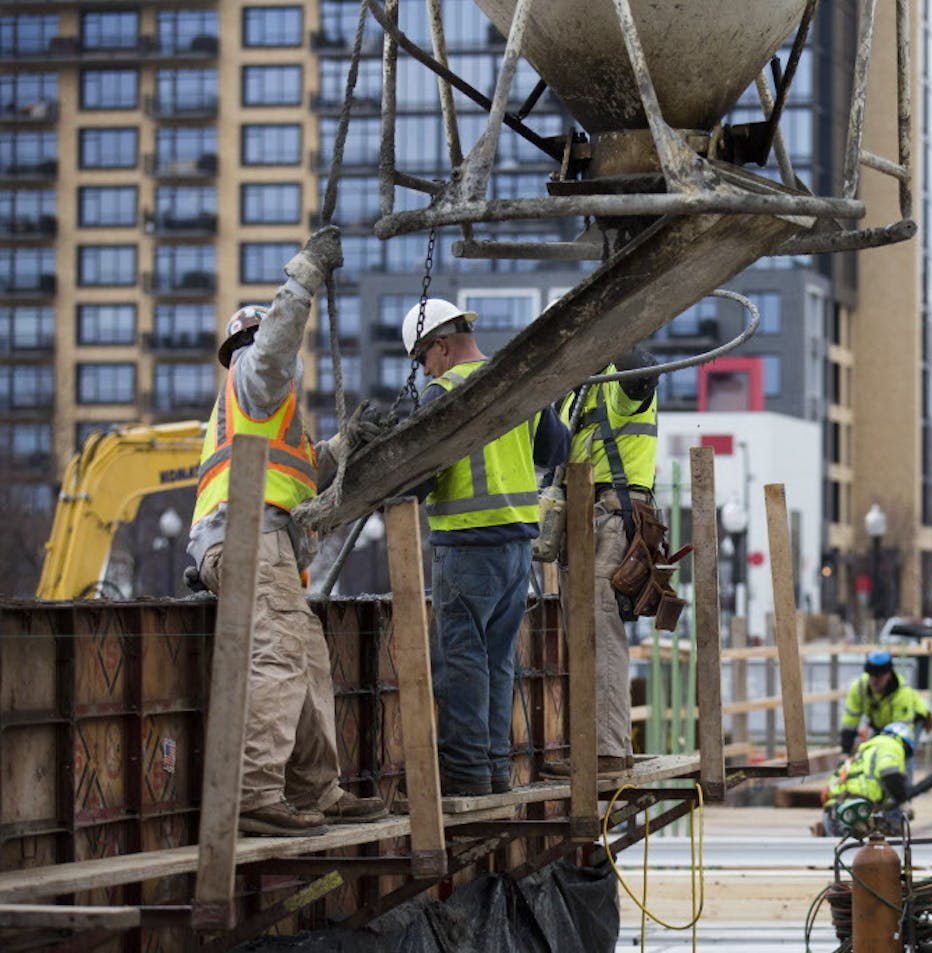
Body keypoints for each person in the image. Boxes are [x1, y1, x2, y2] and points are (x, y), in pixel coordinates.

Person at [189, 226, 388, 837]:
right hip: (248, 539)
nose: (271, 348)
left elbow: (300, 472)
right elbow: (272, 348)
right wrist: (303, 279)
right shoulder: (255, 376)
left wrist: (342, 445)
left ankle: (315, 789)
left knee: (306, 660)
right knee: (278, 657)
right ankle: (253, 793)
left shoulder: (271, 415)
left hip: (266, 544)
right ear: (245, 346)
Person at [402, 297, 569, 797]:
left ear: (441, 347)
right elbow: (555, 450)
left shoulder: (443, 392)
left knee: (461, 662)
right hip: (517, 548)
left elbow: (419, 479)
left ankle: (468, 775)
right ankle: (495, 769)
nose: (423, 370)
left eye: (421, 359)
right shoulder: (515, 383)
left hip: (466, 545)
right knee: (497, 661)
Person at [543, 347, 661, 778]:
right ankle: (601, 745)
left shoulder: (618, 375)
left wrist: (614, 331)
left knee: (598, 630)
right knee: (585, 633)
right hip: (583, 517)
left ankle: (607, 751)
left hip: (608, 516)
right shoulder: (578, 387)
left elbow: (640, 377)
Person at [820, 721, 916, 837]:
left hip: (833, 813)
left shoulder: (865, 749)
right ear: (905, 744)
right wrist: (902, 801)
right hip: (855, 813)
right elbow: (890, 774)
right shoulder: (891, 745)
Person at [839, 650, 932, 757]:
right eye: (871, 676)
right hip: (882, 722)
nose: (875, 681)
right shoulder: (859, 688)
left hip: (911, 720)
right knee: (872, 753)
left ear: (888, 675)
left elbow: (902, 731)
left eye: (879, 677)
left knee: (902, 756)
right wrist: (845, 751)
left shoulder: (901, 693)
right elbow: (850, 721)